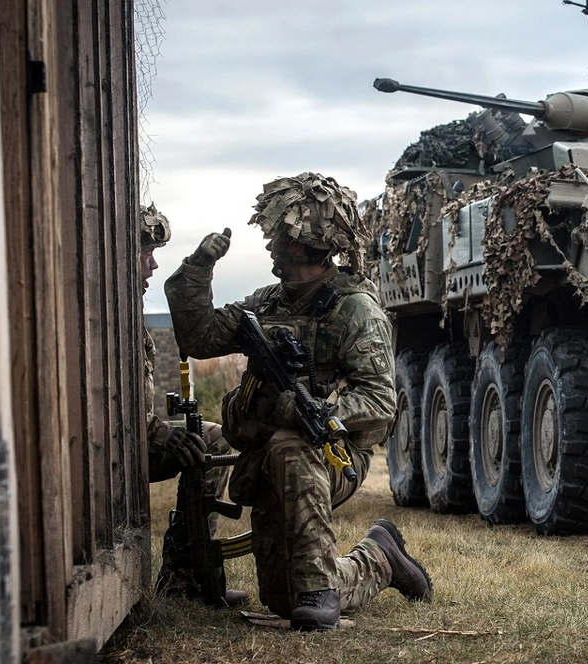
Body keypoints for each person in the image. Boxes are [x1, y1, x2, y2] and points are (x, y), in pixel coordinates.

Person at [163, 172, 432, 631]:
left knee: (293, 448)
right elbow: (200, 336)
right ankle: (380, 557)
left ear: (307, 245)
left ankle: (320, 590)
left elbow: (379, 399)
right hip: (268, 457)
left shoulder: (354, 310)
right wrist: (198, 270)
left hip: (332, 454)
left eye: (280, 241)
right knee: (283, 601)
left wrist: (319, 410)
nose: (271, 249)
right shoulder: (266, 304)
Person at [139, 204, 246, 606]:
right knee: (210, 442)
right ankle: (186, 576)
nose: (151, 265)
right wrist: (163, 434)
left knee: (211, 438)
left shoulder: (124, 309)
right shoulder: (104, 314)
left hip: (134, 439)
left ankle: (187, 573)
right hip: (111, 449)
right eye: (145, 254)